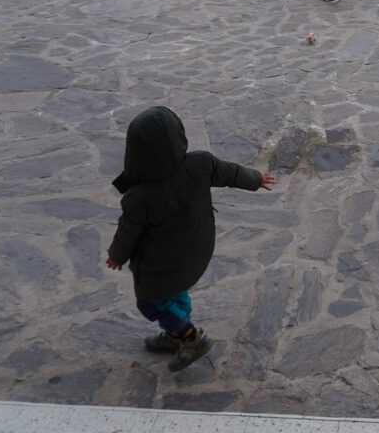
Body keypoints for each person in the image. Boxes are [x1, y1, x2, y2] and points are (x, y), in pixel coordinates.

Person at [105, 105, 276, 372]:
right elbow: (229, 172)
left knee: (151, 303)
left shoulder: (138, 198)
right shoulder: (200, 164)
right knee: (177, 292)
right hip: (196, 249)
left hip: (160, 265)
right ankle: (175, 333)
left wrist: (116, 256)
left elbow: (128, 232)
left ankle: (189, 336)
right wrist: (255, 179)